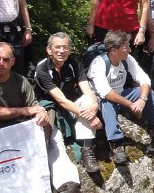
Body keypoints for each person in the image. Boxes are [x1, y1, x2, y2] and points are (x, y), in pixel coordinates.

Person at [0, 42, 85, 193]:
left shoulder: (21, 81)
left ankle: (68, 184)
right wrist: (26, 110)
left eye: (6, 59)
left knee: (53, 135)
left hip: (20, 133)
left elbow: (35, 107)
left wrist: (41, 114)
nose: (1, 63)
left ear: (12, 62)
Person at [88, 31, 154, 164]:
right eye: (126, 47)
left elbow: (144, 79)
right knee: (107, 101)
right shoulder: (99, 64)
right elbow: (105, 92)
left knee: (145, 92)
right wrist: (131, 105)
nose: (129, 50)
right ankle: (116, 143)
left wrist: (142, 99)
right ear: (113, 50)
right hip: (101, 100)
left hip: (122, 94)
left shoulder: (127, 59)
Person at [34, 33, 103, 173]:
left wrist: (94, 104)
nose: (61, 51)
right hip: (51, 107)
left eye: (65, 47)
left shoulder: (74, 64)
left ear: (69, 49)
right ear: (49, 50)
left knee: (90, 100)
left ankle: (87, 150)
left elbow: (88, 91)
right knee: (53, 137)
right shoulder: (42, 68)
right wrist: (91, 117)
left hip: (72, 104)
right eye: (57, 47)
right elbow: (61, 100)